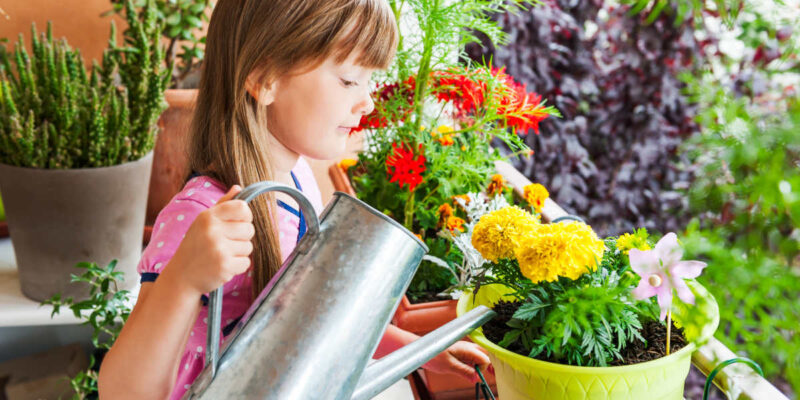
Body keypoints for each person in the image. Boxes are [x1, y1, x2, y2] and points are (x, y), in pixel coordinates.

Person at [98, 1, 490, 398]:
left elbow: (314, 315)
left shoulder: (298, 179)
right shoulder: (203, 216)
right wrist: (182, 278)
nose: (367, 102)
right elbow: (122, 392)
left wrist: (422, 351)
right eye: (350, 79)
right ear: (265, 78)